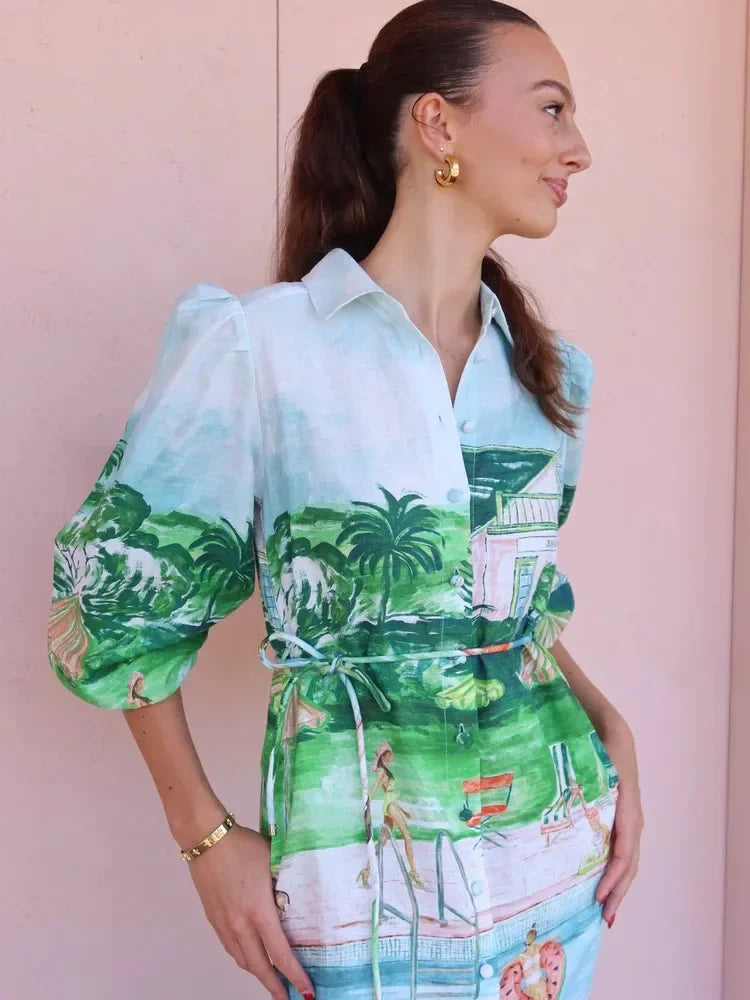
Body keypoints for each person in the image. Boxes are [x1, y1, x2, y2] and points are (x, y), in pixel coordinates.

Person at [45, 2, 644, 998]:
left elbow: (510, 600)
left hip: (558, 871)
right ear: (438, 125)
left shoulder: (550, 380)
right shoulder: (259, 351)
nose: (576, 149)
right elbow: (111, 612)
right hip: (363, 898)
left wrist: (608, 717)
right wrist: (205, 836)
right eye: (552, 109)